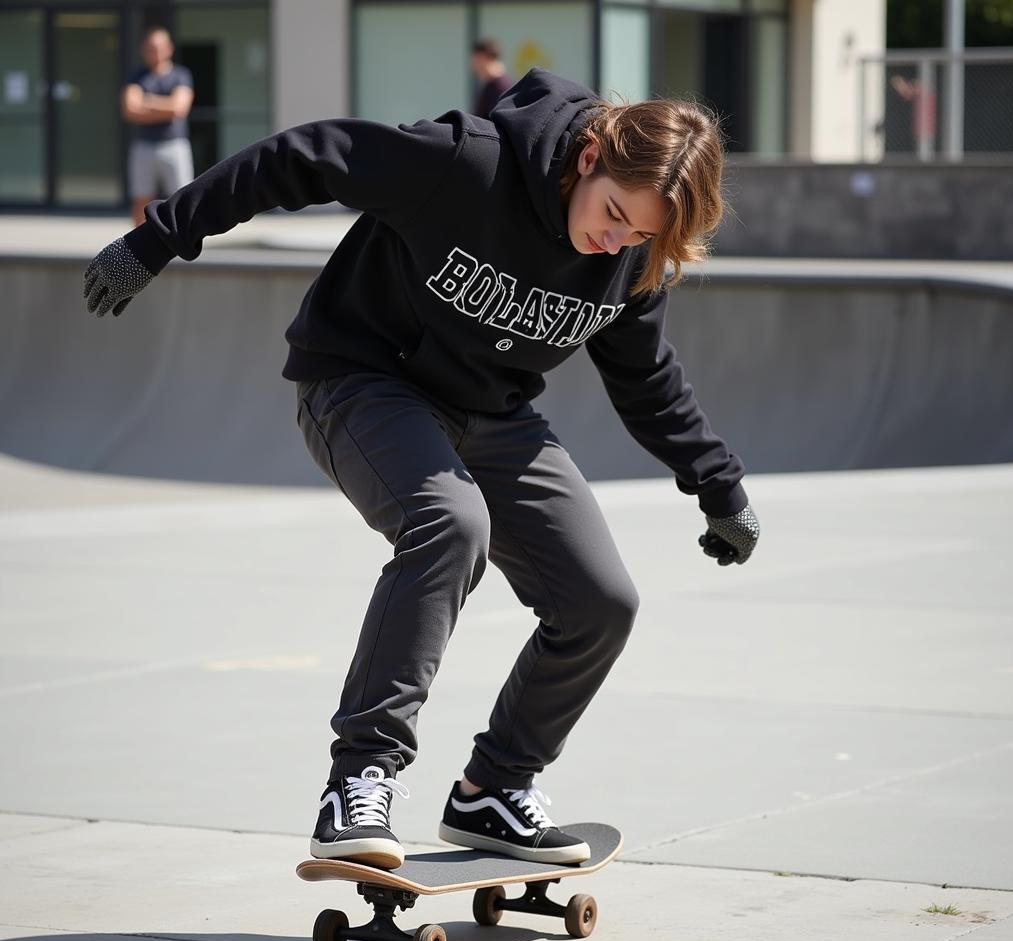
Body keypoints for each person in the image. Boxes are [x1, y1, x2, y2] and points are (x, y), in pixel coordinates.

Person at [83, 68, 760, 871]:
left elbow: (644, 376)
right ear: (588, 157)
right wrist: (158, 237)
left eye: (637, 236)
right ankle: (359, 779)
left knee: (600, 601)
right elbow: (301, 156)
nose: (614, 241)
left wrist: (718, 485)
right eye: (614, 214)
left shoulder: (630, 261)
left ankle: (495, 790)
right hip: (363, 382)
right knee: (451, 523)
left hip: (496, 416)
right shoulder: (465, 164)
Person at [121, 26, 195, 226]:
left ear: (169, 48)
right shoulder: (137, 75)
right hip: (144, 146)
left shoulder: (181, 75)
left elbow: (179, 109)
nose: (155, 52)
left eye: (159, 47)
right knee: (141, 199)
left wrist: (147, 101)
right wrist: (165, 105)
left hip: (174, 145)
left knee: (182, 198)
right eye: (151, 48)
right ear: (144, 50)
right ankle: (136, 249)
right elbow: (129, 109)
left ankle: (182, 244)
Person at [471, 38, 515, 118]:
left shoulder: (502, 87)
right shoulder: (490, 85)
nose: (473, 66)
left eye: (475, 60)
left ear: (482, 57)